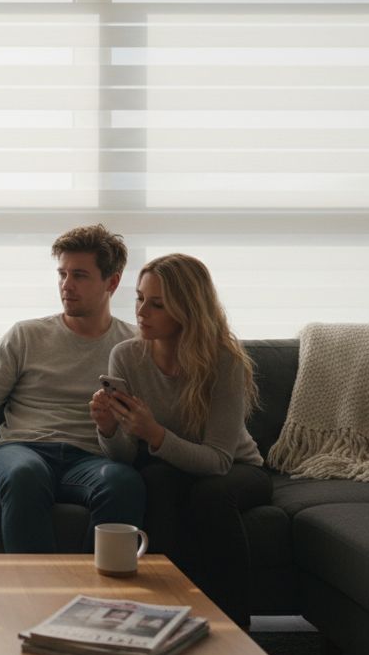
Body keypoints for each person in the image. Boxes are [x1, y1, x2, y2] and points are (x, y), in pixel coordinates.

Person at [0, 224, 144, 554]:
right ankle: (34, 597)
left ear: (112, 282)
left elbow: (133, 436)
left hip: (89, 461)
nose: (66, 285)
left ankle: (98, 596)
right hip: (20, 452)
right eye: (62, 274)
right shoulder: (27, 335)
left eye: (79, 275)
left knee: (124, 483)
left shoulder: (133, 346)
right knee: (26, 475)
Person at [90, 253, 269, 626]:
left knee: (211, 495)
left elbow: (219, 461)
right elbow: (124, 456)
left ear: (187, 308)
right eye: (140, 298)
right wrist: (109, 427)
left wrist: (154, 433)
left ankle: (234, 623)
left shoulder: (224, 361)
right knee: (153, 479)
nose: (141, 311)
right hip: (170, 467)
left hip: (236, 468)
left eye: (157, 304)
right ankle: (164, 613)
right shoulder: (126, 356)